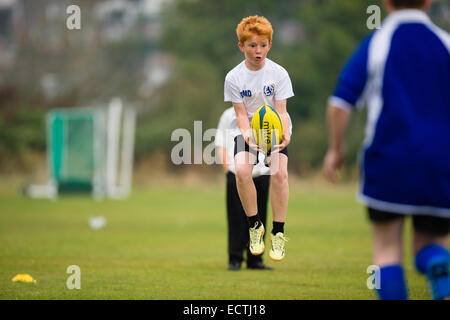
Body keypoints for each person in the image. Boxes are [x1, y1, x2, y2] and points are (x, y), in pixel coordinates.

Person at [323, 0, 450, 300]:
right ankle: (437, 262)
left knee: (387, 250)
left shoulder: (378, 42)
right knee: (431, 244)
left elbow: (340, 103)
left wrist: (335, 149)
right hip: (440, 163)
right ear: (429, 1)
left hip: (388, 161)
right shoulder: (445, 43)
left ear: (386, 2)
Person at [224, 15, 294, 262]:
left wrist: (284, 133)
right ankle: (255, 226)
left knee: (279, 173)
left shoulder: (279, 73)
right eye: (252, 46)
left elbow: (282, 110)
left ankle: (278, 232)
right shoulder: (234, 77)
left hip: (275, 129)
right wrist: (246, 135)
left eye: (263, 45)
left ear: (269, 45)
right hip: (248, 131)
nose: (258, 51)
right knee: (242, 172)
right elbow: (241, 115)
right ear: (241, 46)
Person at [216, 106, 272, 271]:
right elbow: (221, 143)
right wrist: (228, 170)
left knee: (260, 216)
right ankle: (235, 259)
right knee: (236, 217)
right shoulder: (228, 115)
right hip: (236, 172)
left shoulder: (266, 114)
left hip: (261, 172)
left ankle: (256, 260)